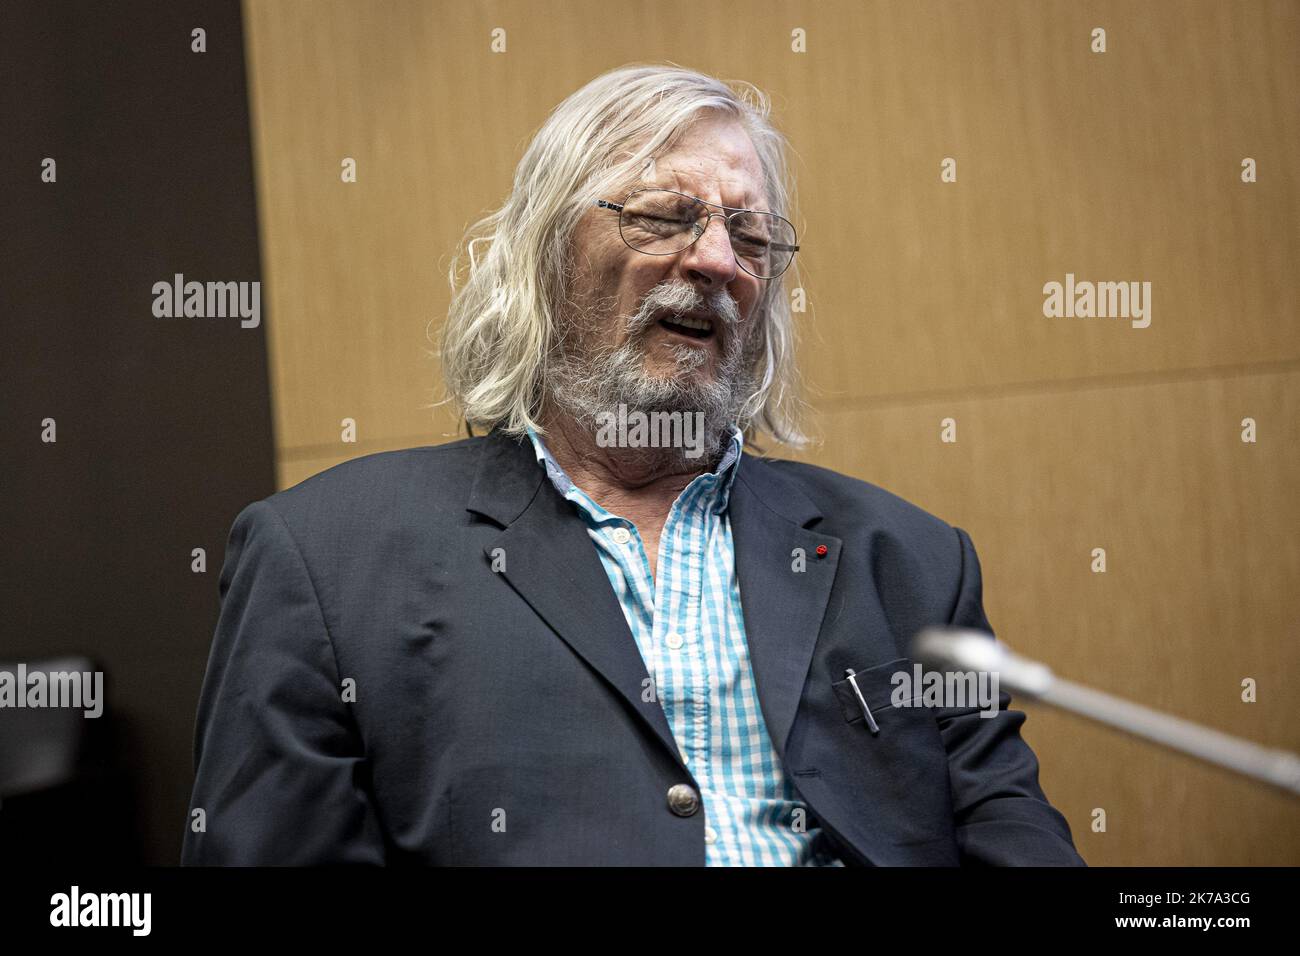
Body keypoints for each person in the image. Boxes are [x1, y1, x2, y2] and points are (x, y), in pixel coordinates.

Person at [182, 63, 1083, 866]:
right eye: (664, 217)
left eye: (752, 237)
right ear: (545, 255)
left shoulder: (913, 561)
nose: (719, 260)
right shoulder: (326, 559)